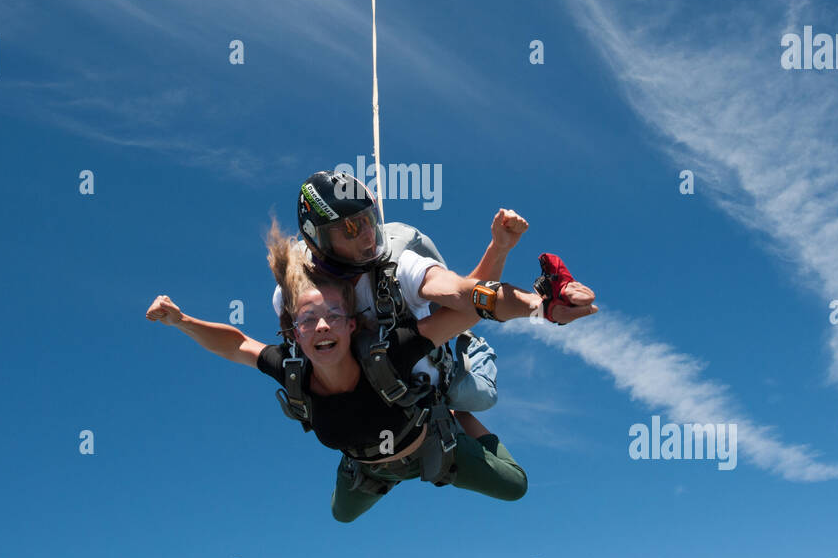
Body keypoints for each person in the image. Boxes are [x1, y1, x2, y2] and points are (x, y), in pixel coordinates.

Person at [147, 228, 554, 522]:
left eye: (333, 316)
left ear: (352, 325)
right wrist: (182, 320)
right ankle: (363, 465)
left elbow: (469, 304)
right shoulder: (294, 374)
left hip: (434, 448)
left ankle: (451, 405)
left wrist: (538, 301)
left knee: (515, 485)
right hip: (369, 469)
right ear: (292, 332)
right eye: (308, 320)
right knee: (340, 515)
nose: (322, 327)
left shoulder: (390, 355)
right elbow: (236, 344)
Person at [280, 171, 598, 412]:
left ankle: (466, 355)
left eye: (367, 221)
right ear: (316, 238)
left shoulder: (398, 265)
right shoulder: (293, 291)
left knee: (478, 399)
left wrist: (540, 307)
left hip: (419, 369)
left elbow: (463, 292)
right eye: (350, 228)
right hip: (370, 402)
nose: (365, 236)